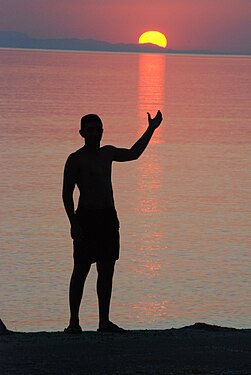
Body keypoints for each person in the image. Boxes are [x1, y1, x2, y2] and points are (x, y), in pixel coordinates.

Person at [62, 110, 163, 333]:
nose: (95, 133)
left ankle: (103, 322)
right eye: (91, 130)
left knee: (106, 270)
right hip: (86, 218)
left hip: (108, 217)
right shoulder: (75, 159)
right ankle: (73, 322)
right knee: (81, 269)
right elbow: (66, 194)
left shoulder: (107, 153)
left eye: (99, 129)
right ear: (82, 133)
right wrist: (73, 223)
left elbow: (134, 153)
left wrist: (151, 128)